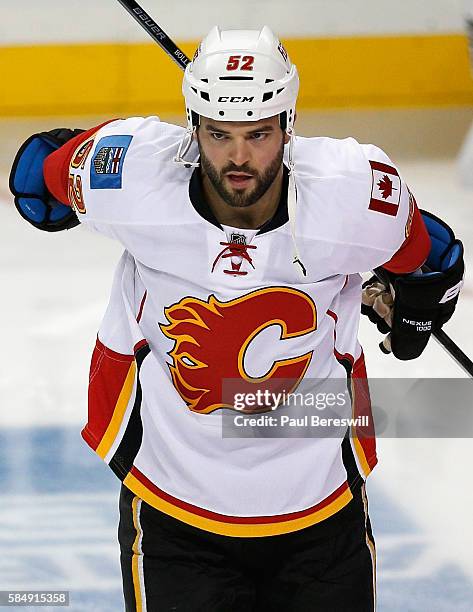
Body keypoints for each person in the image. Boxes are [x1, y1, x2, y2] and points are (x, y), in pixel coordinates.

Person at [9, 26, 464, 611]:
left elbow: (429, 258)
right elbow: (39, 179)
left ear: (288, 126)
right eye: (219, 134)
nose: (239, 158)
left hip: (321, 503)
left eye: (258, 134)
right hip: (175, 504)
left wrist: (408, 300)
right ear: (192, 126)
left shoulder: (350, 199)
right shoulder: (133, 174)